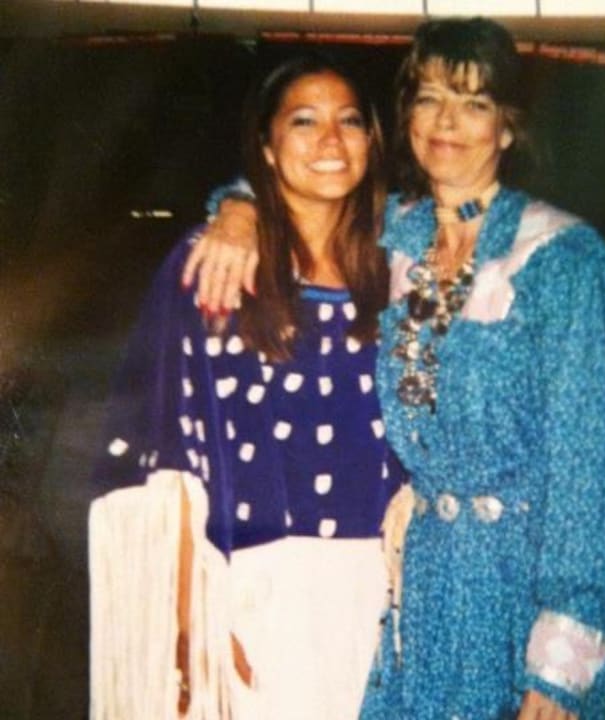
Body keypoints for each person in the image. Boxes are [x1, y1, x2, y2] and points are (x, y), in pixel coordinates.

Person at [185, 17, 605, 720]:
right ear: (405, 118)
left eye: (474, 103)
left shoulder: (560, 257)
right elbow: (302, 184)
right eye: (429, 98)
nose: (446, 122)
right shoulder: (391, 234)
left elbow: (587, 472)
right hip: (429, 591)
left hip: (526, 589)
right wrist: (239, 209)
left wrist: (559, 665)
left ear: (508, 127)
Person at [89, 53, 404, 720]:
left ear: (372, 140)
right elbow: (170, 459)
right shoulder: (215, 264)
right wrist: (191, 619)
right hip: (253, 588)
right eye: (304, 121)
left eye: (350, 121)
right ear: (266, 145)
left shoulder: (402, 266)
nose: (330, 140)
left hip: (380, 593)